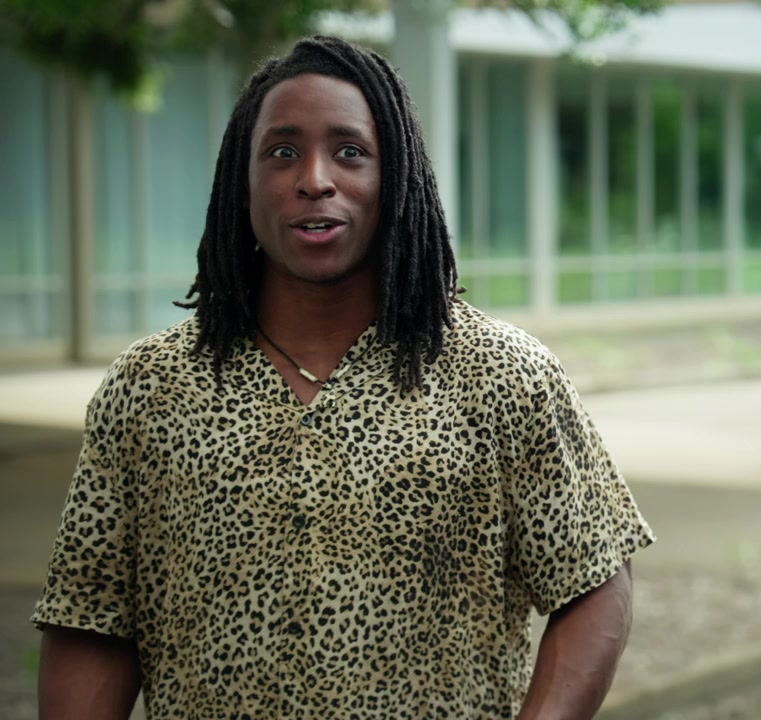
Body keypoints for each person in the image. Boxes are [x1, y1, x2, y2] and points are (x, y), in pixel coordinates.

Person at [32, 35, 653, 719]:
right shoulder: (150, 389)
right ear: (241, 183)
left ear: (398, 178)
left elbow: (595, 583)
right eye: (282, 152)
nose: (315, 179)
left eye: (350, 152)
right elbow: (91, 618)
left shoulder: (502, 376)